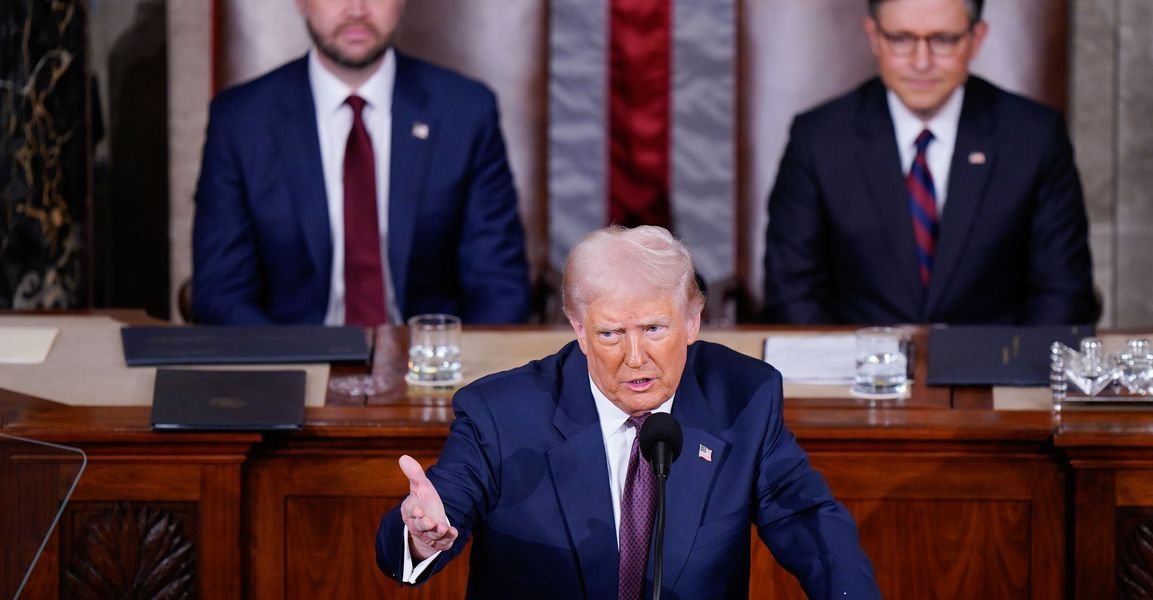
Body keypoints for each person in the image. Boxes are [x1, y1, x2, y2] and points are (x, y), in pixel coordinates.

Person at [376, 226, 880, 599]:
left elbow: (807, 518)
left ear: (692, 320)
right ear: (578, 328)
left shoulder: (743, 397)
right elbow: (437, 513)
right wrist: (419, 537)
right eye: (611, 333)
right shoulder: (502, 413)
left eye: (654, 329)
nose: (635, 357)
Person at [192, 0, 529, 326]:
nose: (356, 10)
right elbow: (221, 291)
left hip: (431, 355)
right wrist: (288, 358)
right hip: (291, 354)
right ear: (301, 2)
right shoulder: (240, 121)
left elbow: (499, 284)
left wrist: (457, 358)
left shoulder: (466, 112)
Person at [762, 0, 1097, 326]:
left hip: (997, 359)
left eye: (943, 40)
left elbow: (1063, 293)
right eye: (901, 39)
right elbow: (792, 291)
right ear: (874, 36)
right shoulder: (818, 138)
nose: (921, 62)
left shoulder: (1034, 136)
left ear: (976, 38)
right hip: (855, 359)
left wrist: (1014, 362)